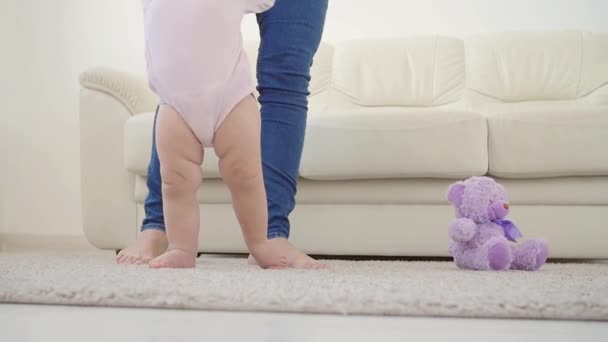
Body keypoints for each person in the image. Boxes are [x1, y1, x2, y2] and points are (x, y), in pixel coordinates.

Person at [117, 0, 329, 269]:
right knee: (176, 177)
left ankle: (268, 236)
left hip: (231, 99)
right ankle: (167, 234)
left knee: (285, 77)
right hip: (176, 102)